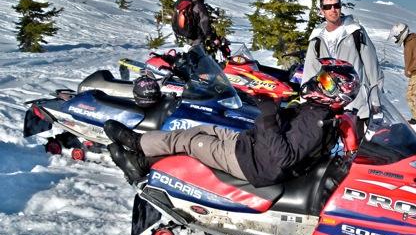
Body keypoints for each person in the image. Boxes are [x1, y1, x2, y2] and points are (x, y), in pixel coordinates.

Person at [105, 59, 361, 188]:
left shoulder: (316, 121)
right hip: (251, 146)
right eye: (322, 77)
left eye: (327, 82)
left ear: (339, 94)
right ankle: (138, 144)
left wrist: (270, 117)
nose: (319, 82)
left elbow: (284, 157)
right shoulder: (315, 110)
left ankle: (138, 161)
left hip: (254, 164)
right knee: (198, 129)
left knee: (194, 143)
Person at [302, 0, 383, 136]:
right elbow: (310, 72)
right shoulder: (316, 39)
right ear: (322, 11)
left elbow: (373, 68)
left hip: (355, 105)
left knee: (355, 149)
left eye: (336, 5)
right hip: (328, 104)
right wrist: (305, 102)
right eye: (328, 7)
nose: (333, 10)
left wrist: (376, 100)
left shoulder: (355, 32)